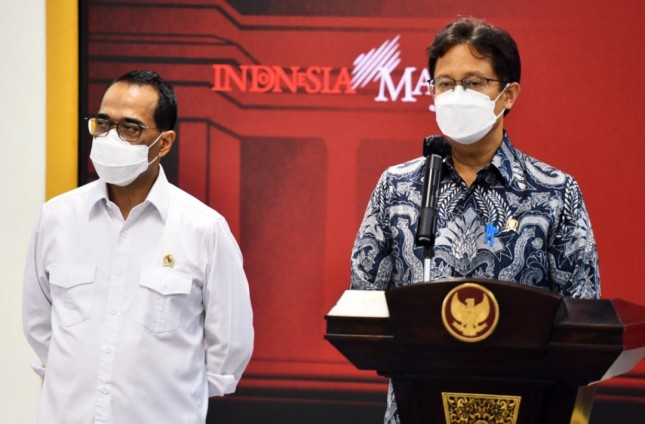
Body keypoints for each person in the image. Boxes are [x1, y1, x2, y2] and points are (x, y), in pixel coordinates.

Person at [350, 17, 600, 424]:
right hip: (417, 407)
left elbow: (582, 314)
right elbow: (364, 302)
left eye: (473, 82)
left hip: (522, 406)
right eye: (445, 84)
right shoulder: (397, 187)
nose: (456, 95)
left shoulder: (555, 192)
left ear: (507, 94)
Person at [22, 70, 254, 424]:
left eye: (130, 128)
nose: (111, 138)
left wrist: (166, 392)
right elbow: (39, 323)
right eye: (103, 123)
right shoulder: (57, 218)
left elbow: (228, 348)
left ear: (163, 143)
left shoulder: (203, 230)